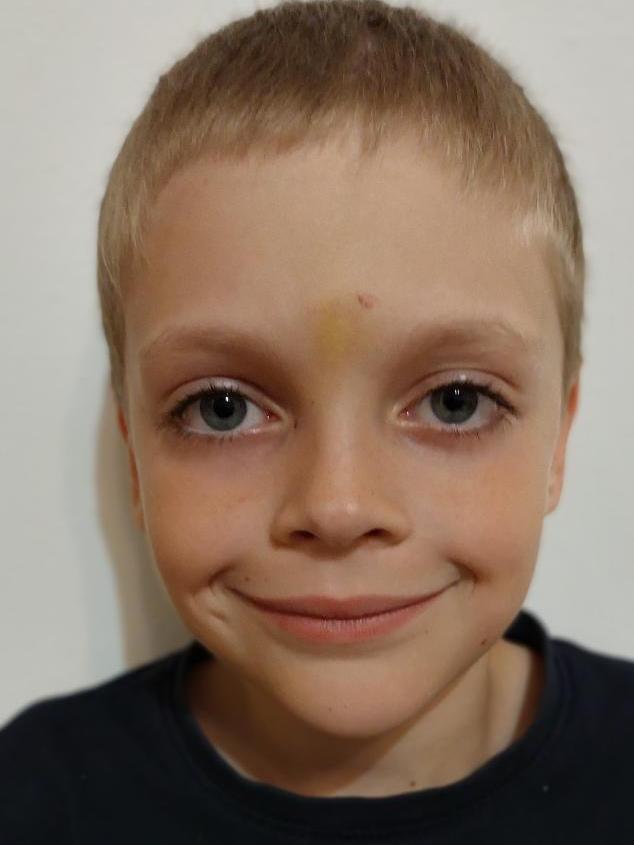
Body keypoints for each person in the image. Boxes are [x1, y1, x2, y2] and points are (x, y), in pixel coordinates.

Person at [2, 1, 633, 841]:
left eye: (456, 401)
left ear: (558, 441)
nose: (338, 507)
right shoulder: (32, 797)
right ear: (134, 458)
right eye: (223, 409)